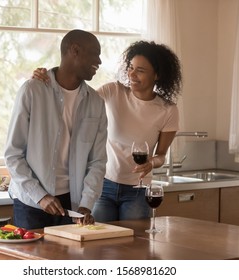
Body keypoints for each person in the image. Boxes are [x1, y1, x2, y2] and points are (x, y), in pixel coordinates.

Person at [33, 40, 182, 222]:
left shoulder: (167, 110)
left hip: (137, 190)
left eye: (140, 71)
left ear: (157, 75)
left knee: (132, 245)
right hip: (104, 186)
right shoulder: (113, 92)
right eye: (131, 68)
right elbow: (77, 98)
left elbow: (161, 156)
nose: (132, 74)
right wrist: (48, 79)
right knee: (99, 244)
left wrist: (151, 162)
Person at [5, 29, 108, 229]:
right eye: (95, 53)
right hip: (31, 203)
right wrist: (41, 196)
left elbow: (97, 161)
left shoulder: (96, 103)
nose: (100, 61)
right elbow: (13, 154)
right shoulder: (32, 91)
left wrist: (86, 204)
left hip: (73, 205)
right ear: (75, 50)